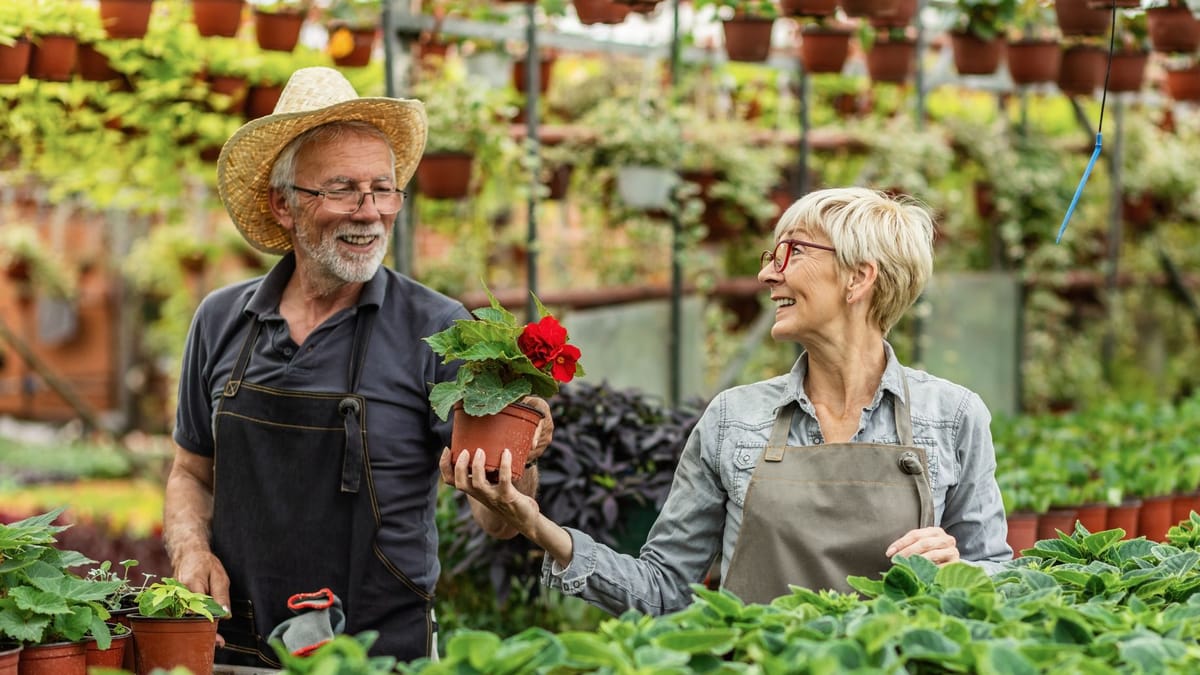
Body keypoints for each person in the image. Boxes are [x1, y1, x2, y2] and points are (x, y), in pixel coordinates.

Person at [448, 187, 1013, 615]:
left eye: (791, 252)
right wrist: (537, 525)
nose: (768, 272)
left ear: (859, 277)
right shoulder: (734, 419)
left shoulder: (955, 415)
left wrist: (959, 570)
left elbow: (1002, 582)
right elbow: (664, 588)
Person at [162, 67, 551, 667]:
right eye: (342, 189)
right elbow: (190, 472)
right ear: (284, 205)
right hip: (234, 649)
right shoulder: (221, 320)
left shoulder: (442, 330)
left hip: (381, 655)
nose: (370, 213)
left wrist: (512, 475)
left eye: (384, 189)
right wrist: (190, 550)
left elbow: (497, 521)